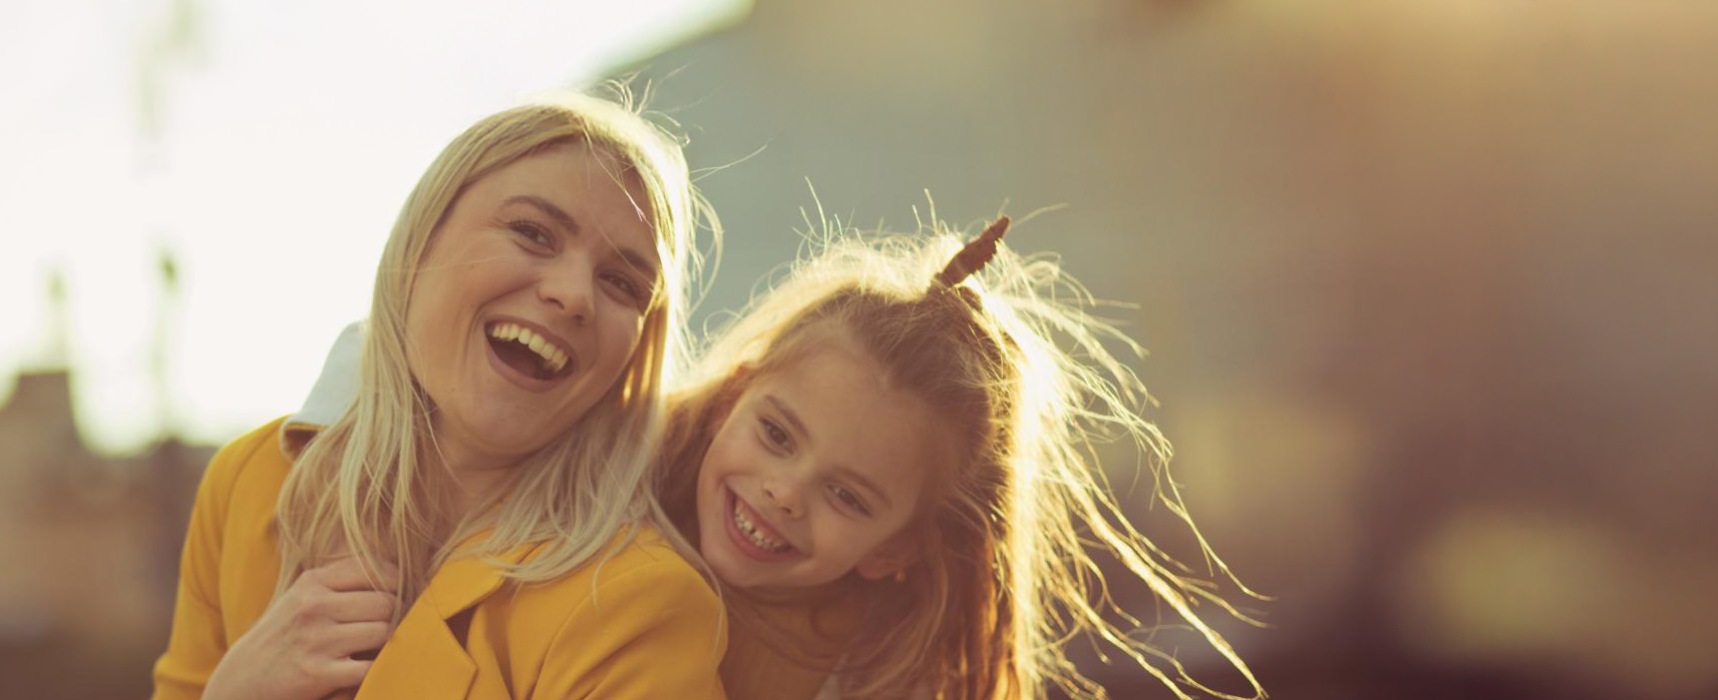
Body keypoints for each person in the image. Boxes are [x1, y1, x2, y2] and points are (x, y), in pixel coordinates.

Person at [292, 216, 1264, 699]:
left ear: (898, 550)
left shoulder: (861, 676)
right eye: (776, 433)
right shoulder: (604, 466)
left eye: (847, 494)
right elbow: (369, 366)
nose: (780, 493)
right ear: (737, 390)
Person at [150, 91, 726, 700]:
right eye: (533, 233)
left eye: (622, 282)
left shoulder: (642, 606)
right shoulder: (250, 480)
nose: (574, 295)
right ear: (422, 239)